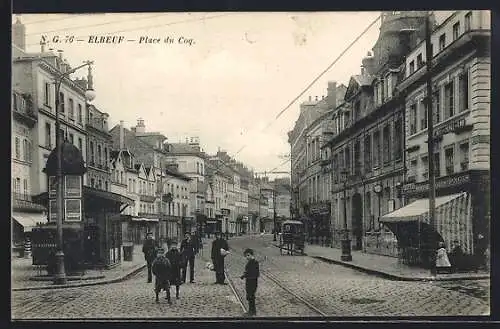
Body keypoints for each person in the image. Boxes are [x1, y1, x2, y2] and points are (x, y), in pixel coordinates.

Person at [240, 248, 260, 316]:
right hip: (249, 281)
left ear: (252, 255)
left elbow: (255, 273)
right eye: (246, 256)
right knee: (249, 296)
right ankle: (252, 310)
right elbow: (248, 271)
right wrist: (244, 275)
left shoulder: (255, 262)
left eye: (248, 255)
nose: (247, 257)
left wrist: (246, 275)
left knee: (251, 296)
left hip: (252, 282)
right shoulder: (250, 262)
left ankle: (252, 311)